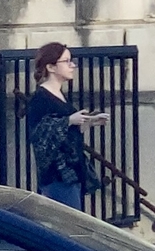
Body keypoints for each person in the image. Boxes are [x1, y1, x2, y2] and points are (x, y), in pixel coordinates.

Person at [24, 42, 105, 211]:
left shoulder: (59, 94)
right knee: (66, 226)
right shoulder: (40, 98)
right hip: (57, 176)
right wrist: (69, 120)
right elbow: (40, 137)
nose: (72, 65)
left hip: (72, 172)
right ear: (51, 67)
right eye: (66, 61)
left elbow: (65, 134)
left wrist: (88, 122)